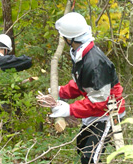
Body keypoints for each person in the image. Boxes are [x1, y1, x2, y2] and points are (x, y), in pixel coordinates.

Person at [49, 12, 126, 164]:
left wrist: (69, 110)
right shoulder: (80, 53)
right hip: (94, 111)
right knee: (81, 146)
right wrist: (60, 92)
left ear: (70, 38)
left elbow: (100, 100)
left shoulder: (94, 62)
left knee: (89, 158)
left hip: (107, 113)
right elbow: (82, 84)